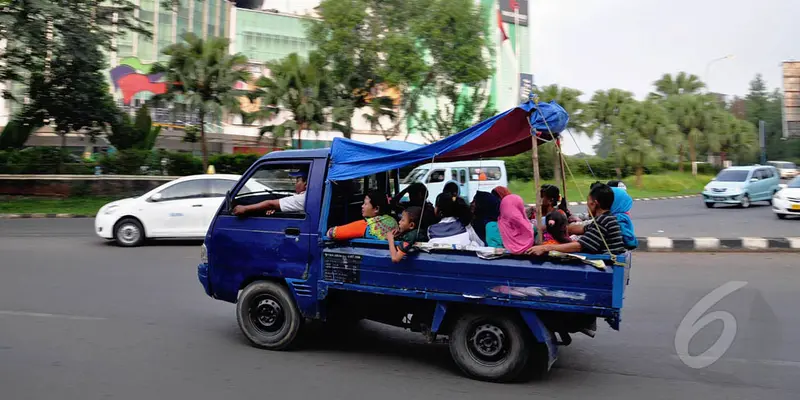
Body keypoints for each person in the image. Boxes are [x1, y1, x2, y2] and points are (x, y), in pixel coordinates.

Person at [527, 184, 626, 256]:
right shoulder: (606, 218)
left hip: (607, 263)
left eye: (588, 202)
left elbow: (579, 246)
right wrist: (561, 227)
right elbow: (582, 228)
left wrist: (545, 248)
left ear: (594, 203)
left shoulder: (604, 221)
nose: (587, 205)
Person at [327, 190, 398, 241]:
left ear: (376, 209)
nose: (362, 206)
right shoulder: (393, 220)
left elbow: (332, 233)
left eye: (365, 204)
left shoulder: (366, 225)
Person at [232, 170, 307, 216]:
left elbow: (270, 204)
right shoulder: (307, 197)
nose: (295, 184)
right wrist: (276, 208)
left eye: (297, 181)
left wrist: (245, 208)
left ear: (306, 184)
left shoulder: (304, 198)